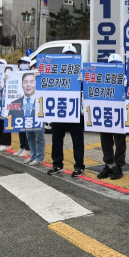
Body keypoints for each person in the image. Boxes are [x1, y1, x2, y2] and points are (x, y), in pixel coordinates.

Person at [47, 45, 87, 178]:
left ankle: (79, 166)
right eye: (66, 54)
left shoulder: (82, 72)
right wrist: (39, 77)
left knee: (77, 140)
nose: (69, 57)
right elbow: (47, 87)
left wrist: (84, 82)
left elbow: (89, 91)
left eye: (71, 54)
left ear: (76, 56)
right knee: (56, 139)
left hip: (75, 110)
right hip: (59, 109)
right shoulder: (54, 70)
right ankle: (57, 164)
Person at [97, 54, 128, 180]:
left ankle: (118, 166)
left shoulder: (126, 77)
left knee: (120, 141)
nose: (114, 66)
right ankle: (108, 164)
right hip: (106, 113)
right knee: (105, 140)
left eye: (117, 63)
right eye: (112, 63)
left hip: (120, 113)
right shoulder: (101, 77)